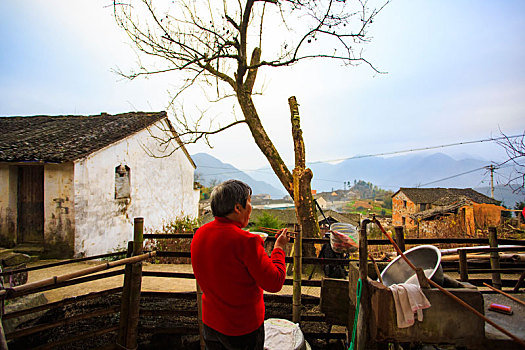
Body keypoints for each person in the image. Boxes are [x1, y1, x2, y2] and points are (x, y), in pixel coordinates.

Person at [191, 179, 292, 350]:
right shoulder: (247, 242)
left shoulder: (200, 234)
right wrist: (279, 248)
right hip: (242, 329)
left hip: (211, 323)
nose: (251, 209)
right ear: (238, 208)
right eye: (249, 202)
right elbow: (275, 282)